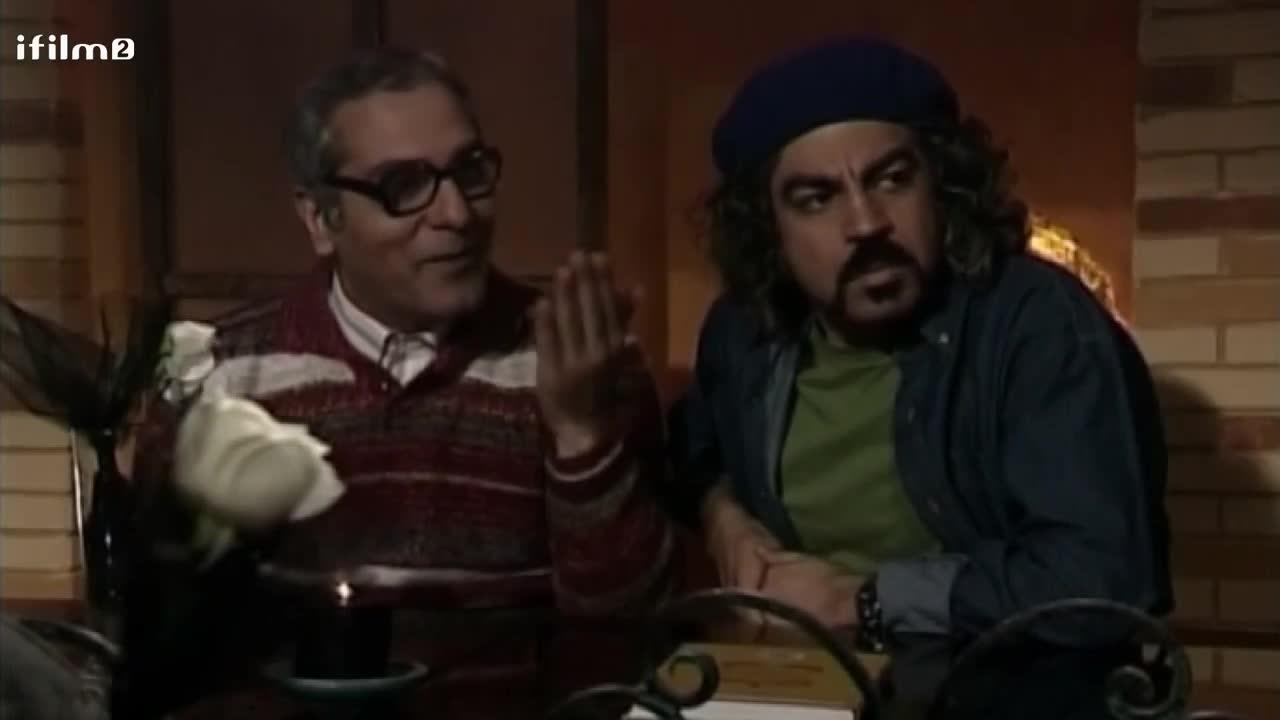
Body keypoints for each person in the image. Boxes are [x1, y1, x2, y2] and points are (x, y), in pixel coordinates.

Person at [124, 46, 676, 717]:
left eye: (469, 172)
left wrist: (580, 432)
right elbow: (169, 652)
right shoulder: (222, 373)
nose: (457, 214)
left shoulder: (581, 357)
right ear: (320, 219)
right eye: (404, 185)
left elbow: (631, 634)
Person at [665, 35, 1172, 648]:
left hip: (1002, 682)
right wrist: (723, 518)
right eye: (817, 199)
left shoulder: (1037, 323)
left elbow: (1102, 582)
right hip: (812, 681)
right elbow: (688, 450)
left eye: (892, 179)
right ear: (769, 231)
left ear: (944, 186)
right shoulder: (745, 332)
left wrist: (860, 601)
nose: (866, 224)